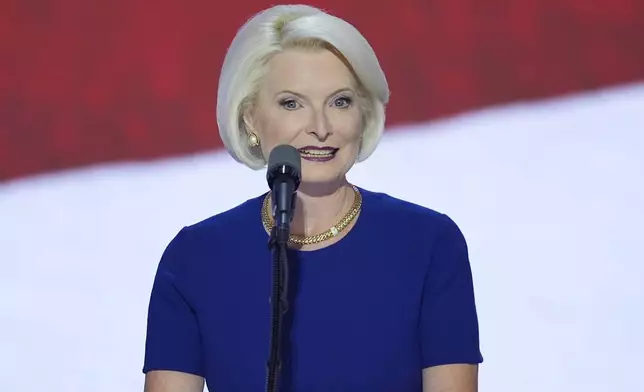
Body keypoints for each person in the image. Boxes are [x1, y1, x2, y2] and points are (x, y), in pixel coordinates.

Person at [142, 4, 483, 392]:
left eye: (340, 102)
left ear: (364, 113)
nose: (320, 128)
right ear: (251, 117)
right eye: (292, 103)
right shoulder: (195, 257)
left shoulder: (428, 244)